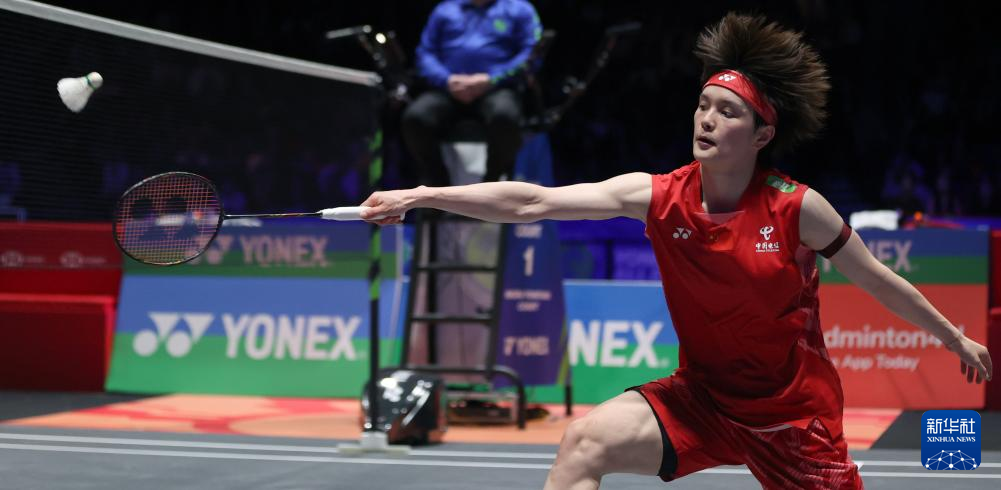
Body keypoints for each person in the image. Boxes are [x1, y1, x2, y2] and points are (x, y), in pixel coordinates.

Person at [361, 13, 993, 489]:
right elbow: (533, 201)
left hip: (793, 417)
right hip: (703, 400)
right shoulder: (659, 196)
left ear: (762, 134)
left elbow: (877, 279)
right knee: (583, 442)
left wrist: (953, 337)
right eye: (703, 106)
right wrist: (422, 194)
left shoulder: (797, 208)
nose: (707, 119)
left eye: (728, 112)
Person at [401, 0, 542, 186]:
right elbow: (425, 53)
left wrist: (491, 79)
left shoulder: (519, 9)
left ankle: (491, 184)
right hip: (449, 89)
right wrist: (447, 80)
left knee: (505, 115)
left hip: (496, 88)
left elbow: (531, 53)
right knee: (415, 117)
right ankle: (439, 186)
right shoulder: (445, 9)